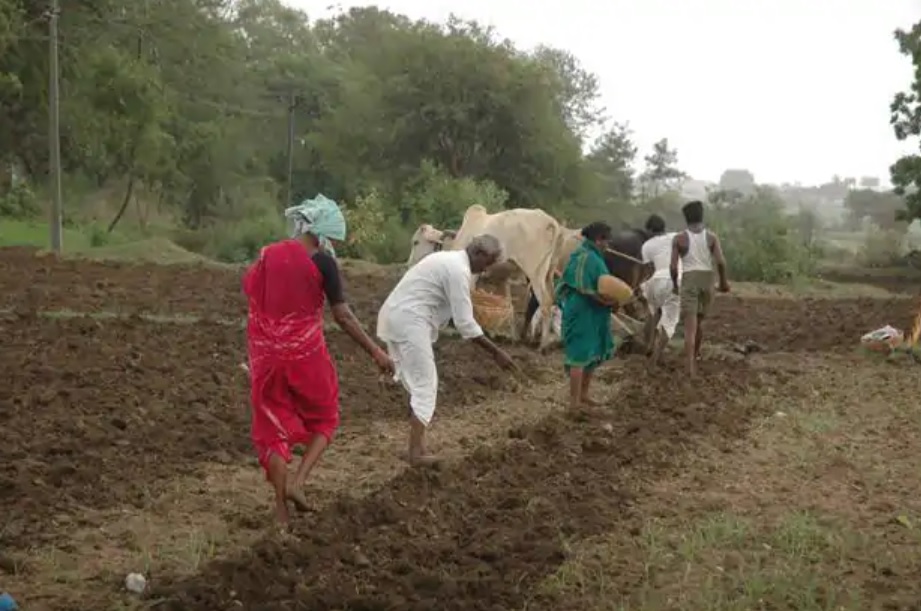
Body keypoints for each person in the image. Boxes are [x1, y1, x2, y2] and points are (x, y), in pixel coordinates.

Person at [243, 195, 394, 527]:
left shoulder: (268, 255)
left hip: (267, 356)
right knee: (326, 419)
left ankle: (281, 512)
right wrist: (376, 351)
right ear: (322, 231)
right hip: (306, 357)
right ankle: (299, 482)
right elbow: (342, 315)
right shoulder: (323, 263)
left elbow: (253, 295)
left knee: (273, 430)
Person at [377, 234, 517, 466]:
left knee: (419, 383)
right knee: (426, 384)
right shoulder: (458, 271)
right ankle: (416, 453)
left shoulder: (449, 260)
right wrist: (496, 352)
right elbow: (465, 323)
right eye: (488, 262)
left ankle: (418, 447)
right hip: (410, 321)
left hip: (400, 317)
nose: (486, 270)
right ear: (478, 254)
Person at [556, 221, 619, 409]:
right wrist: (606, 301)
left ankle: (583, 395)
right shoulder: (583, 257)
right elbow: (584, 288)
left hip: (594, 311)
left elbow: (602, 285)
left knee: (592, 352)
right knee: (579, 354)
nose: (608, 245)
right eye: (606, 240)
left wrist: (611, 301)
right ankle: (574, 403)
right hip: (582, 310)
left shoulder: (594, 256)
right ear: (598, 239)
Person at [670, 200, 730, 377]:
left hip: (689, 279)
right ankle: (695, 357)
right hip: (707, 280)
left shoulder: (679, 238)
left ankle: (689, 368)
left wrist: (674, 285)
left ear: (686, 218)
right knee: (699, 322)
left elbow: (673, 267)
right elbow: (720, 261)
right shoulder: (711, 237)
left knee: (690, 327)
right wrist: (724, 283)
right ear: (702, 216)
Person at [640, 214, 681, 367]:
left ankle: (649, 345)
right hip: (675, 280)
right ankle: (655, 357)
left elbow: (648, 271)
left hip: (656, 280)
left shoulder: (646, 246)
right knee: (669, 321)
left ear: (650, 230)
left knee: (654, 312)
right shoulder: (676, 236)